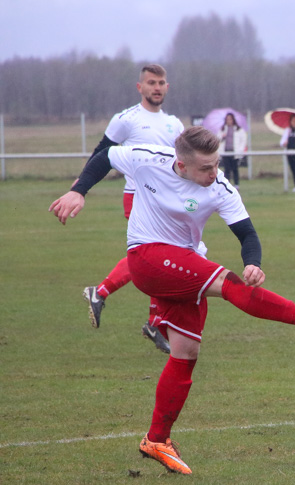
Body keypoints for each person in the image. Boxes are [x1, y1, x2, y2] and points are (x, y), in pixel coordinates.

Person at [49, 127, 295, 475]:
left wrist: (254, 262)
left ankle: (157, 439)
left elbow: (247, 233)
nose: (213, 172)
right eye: (205, 167)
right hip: (146, 256)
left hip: (179, 268)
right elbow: (104, 156)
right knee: (227, 282)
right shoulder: (148, 160)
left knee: (186, 352)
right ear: (181, 164)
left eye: (216, 163)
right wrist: (78, 191)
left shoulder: (220, 186)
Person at [82, 63, 184, 355]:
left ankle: (149, 320)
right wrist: (82, 185)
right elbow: (102, 152)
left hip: (167, 202)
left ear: (167, 87)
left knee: (160, 260)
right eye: (151, 82)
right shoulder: (126, 119)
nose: (157, 87)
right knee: (152, 257)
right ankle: (108, 297)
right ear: (140, 87)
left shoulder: (174, 124)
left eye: (161, 82)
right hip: (137, 197)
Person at [218, 112, 247, 187]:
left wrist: (240, 150)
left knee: (235, 169)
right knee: (227, 169)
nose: (229, 121)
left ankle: (236, 184)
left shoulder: (239, 129)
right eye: (227, 119)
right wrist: (222, 137)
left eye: (230, 119)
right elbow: (217, 140)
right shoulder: (222, 129)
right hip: (225, 152)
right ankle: (227, 184)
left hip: (235, 153)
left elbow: (243, 140)